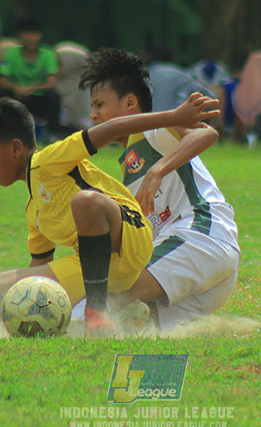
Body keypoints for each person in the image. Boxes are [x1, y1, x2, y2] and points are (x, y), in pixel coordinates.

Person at [0, 92, 220, 337]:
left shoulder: (49, 160)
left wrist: (174, 116)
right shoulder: (34, 211)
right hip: (97, 269)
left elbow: (111, 129)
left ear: (16, 148)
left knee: (85, 203)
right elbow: (36, 273)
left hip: (130, 241)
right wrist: (27, 307)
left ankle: (97, 311)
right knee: (1, 283)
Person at [77, 47, 240, 331]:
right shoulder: (129, 164)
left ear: (130, 103)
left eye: (99, 105)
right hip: (205, 268)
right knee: (134, 327)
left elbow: (206, 133)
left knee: (99, 303)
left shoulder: (152, 131)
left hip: (200, 236)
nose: (93, 116)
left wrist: (159, 169)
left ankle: (46, 323)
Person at [0, 18, 65, 139]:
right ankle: (0, 133)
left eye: (35, 34)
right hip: (17, 96)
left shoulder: (48, 55)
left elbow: (51, 82)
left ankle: (53, 134)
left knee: (53, 97)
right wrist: (16, 88)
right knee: (2, 95)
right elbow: (2, 80)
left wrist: (33, 89)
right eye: (27, 34)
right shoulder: (11, 54)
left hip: (39, 96)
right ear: (19, 36)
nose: (31, 38)